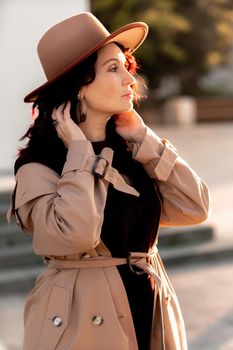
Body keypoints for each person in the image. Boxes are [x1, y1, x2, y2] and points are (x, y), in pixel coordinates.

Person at [9, 12, 211, 350]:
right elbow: (76, 235)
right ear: (78, 85)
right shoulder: (38, 166)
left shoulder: (132, 151)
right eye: (113, 69)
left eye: (126, 68)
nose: (130, 80)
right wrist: (78, 151)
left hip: (148, 309)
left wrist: (145, 138)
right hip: (82, 322)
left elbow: (196, 207)